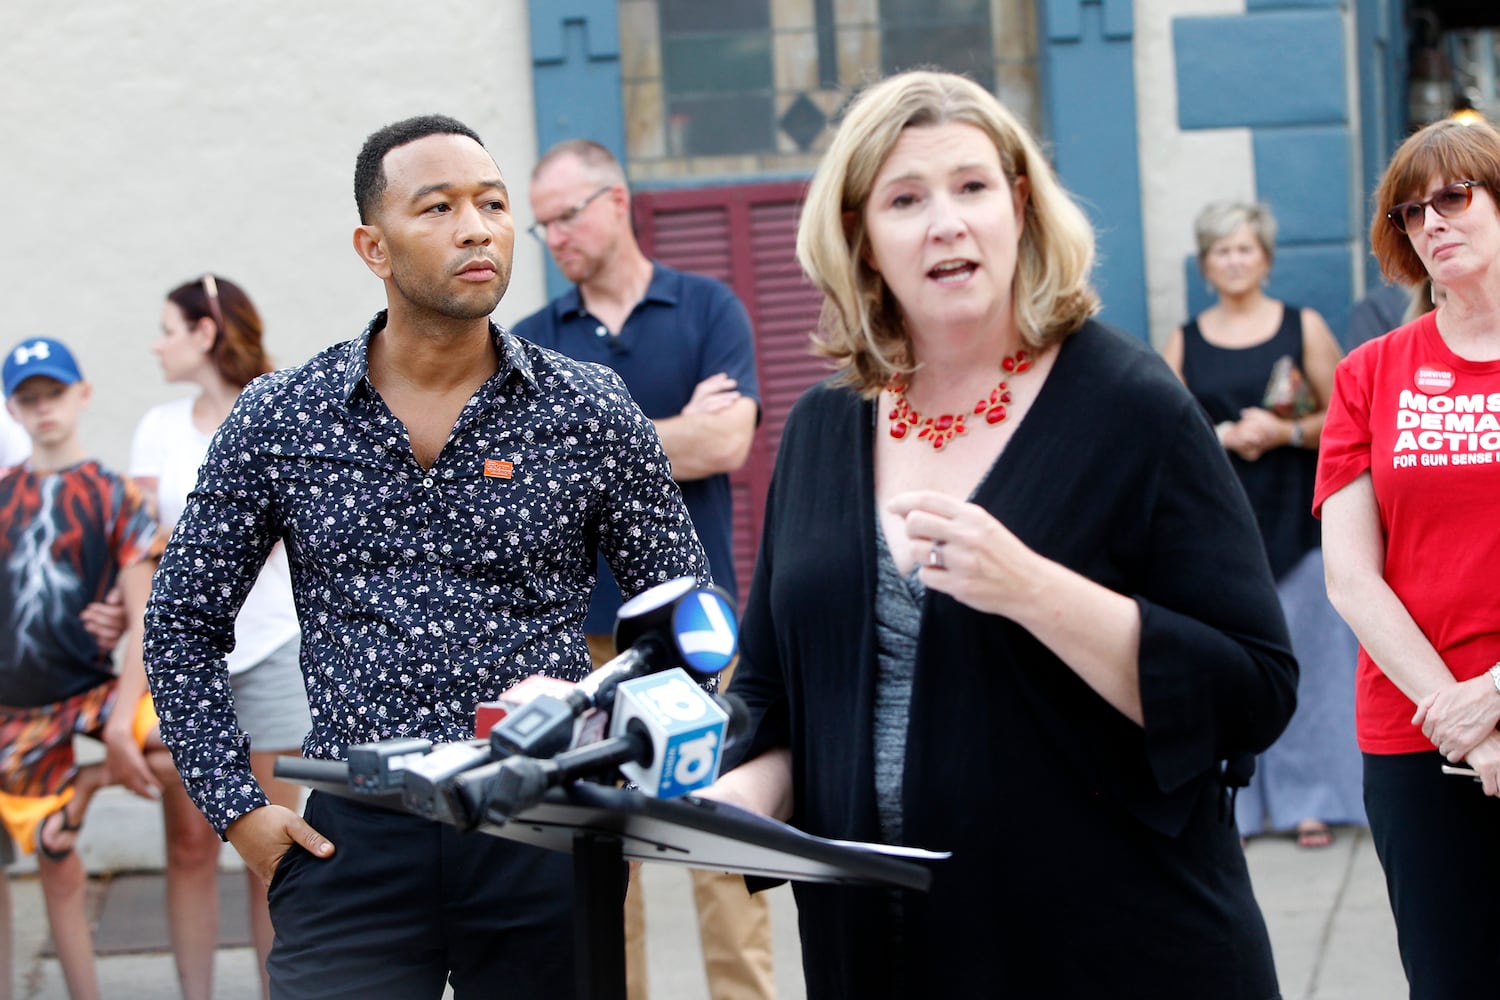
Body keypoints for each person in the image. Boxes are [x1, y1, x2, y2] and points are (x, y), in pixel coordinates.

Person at [703, 70, 1297, 998]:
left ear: (1019, 206)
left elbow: (1254, 688)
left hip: (1108, 948)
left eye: (973, 187)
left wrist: (1032, 588)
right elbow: (776, 692)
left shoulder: (1131, 407)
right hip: (881, 954)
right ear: (860, 238)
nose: (946, 221)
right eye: (905, 199)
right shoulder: (823, 429)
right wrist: (720, 806)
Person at [142, 114, 708, 1000]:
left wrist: (622, 784)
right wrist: (239, 811)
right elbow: (181, 622)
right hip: (354, 835)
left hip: (543, 834)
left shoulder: (589, 409)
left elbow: (684, 619)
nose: (476, 227)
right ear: (374, 245)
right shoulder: (283, 417)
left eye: (492, 203)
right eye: (437, 207)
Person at [513, 139, 773, 1000]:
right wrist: (670, 438)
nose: (553, 236)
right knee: (597, 858)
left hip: (698, 637)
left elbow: (729, 441)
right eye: (542, 223)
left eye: (565, 215)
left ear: (616, 200)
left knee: (719, 844)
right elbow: (526, 476)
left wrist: (595, 447)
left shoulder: (707, 308)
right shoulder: (530, 343)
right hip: (578, 646)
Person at [1317, 117, 1500, 998]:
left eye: (1457, 197)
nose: (1434, 221)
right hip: (1416, 734)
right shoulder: (1368, 373)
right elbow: (1351, 577)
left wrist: (1495, 699)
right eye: (1411, 210)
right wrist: (1462, 721)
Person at [130, 274, 312, 1000]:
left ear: (205, 332)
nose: (157, 344)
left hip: (273, 651)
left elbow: (282, 536)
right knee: (188, 847)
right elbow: (135, 546)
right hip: (186, 662)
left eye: (168, 329)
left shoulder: (273, 412)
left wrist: (179, 540)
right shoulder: (157, 428)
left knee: (275, 848)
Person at [1161, 201, 1362, 849]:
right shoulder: (1183, 340)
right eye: (1222, 250)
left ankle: (1313, 802)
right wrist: (1221, 435)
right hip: (1219, 529)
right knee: (1227, 668)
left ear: (1266, 259)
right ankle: (1238, 809)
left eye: (1245, 248)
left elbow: (1344, 423)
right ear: (1205, 265)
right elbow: (1166, 432)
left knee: (1313, 666)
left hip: (1296, 519)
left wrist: (1283, 431)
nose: (1235, 260)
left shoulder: (1302, 326)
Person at [0, 337, 174, 1000]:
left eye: (55, 393)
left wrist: (119, 738)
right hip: (15, 709)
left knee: (186, 746)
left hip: (88, 691)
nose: (44, 409)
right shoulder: (3, 495)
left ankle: (87, 783)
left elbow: (144, 621)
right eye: (29, 398)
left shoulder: (113, 495)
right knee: (55, 862)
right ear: (13, 410)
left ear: (83, 394)